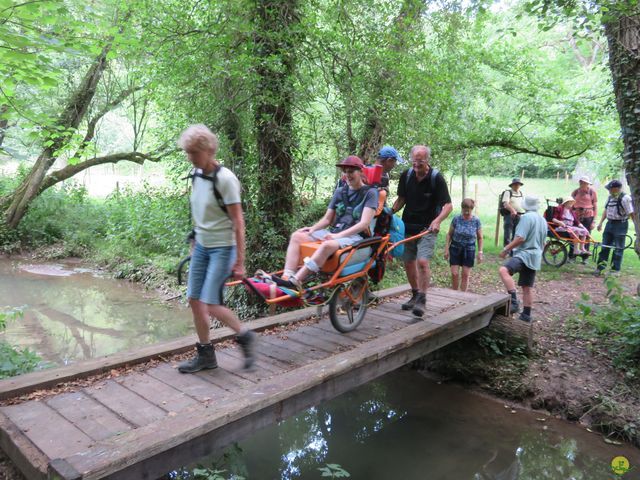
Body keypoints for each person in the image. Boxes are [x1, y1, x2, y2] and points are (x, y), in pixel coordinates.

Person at [178, 124, 256, 373]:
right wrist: (194, 243)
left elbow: (238, 222)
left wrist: (240, 262)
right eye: (188, 152)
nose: (190, 157)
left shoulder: (225, 180)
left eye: (194, 152)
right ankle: (206, 356)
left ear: (209, 150)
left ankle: (245, 335)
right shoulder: (196, 175)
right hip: (202, 246)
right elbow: (200, 213)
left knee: (210, 302)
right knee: (194, 299)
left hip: (223, 248)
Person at [275, 155, 378, 289]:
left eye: (351, 171)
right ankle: (287, 276)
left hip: (355, 237)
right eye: (345, 172)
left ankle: (296, 281)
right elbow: (327, 219)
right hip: (335, 232)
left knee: (326, 245)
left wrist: (337, 236)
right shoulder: (340, 192)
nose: (348, 175)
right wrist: (312, 229)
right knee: (296, 236)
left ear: (361, 172)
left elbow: (363, 224)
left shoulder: (371, 193)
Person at [392, 145, 452, 317]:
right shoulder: (407, 175)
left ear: (427, 160)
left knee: (423, 262)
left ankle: (423, 299)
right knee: (408, 261)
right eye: (415, 161)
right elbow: (401, 199)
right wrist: (388, 212)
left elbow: (448, 205)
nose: (417, 164)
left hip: (428, 229)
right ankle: (415, 294)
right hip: (408, 226)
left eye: (421, 161)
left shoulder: (436, 178)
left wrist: (437, 220)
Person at [498, 196, 547, 322]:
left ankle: (513, 301)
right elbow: (544, 243)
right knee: (527, 287)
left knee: (504, 270)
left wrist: (506, 249)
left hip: (523, 255)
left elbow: (520, 238)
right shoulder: (542, 220)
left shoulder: (526, 218)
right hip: (535, 257)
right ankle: (526, 315)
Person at [594, 179, 636, 275]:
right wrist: (600, 223)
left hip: (620, 224)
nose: (609, 191)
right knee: (605, 246)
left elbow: (631, 213)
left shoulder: (625, 198)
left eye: (611, 189)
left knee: (618, 248)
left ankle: (615, 270)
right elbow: (606, 210)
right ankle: (600, 268)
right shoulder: (610, 197)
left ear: (617, 188)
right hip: (609, 224)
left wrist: (637, 229)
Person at [444, 198, 483, 292]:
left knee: (465, 274)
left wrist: (480, 252)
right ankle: (454, 293)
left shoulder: (476, 221)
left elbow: (480, 237)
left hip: (469, 249)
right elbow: (449, 234)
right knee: (454, 273)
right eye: (464, 210)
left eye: (468, 211)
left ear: (471, 209)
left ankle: (463, 296)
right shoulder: (456, 219)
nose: (466, 213)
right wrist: (446, 249)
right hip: (455, 248)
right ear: (462, 208)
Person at [571, 175, 597, 251]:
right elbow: (570, 204)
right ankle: (572, 255)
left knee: (587, 235)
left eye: (586, 183)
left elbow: (595, 206)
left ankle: (584, 256)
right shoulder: (575, 192)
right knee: (574, 234)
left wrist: (594, 221)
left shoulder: (592, 192)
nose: (584, 184)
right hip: (576, 216)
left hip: (588, 216)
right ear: (580, 182)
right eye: (582, 182)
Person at [501, 178, 525, 247]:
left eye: (518, 184)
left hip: (519, 215)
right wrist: (513, 210)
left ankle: (513, 249)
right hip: (509, 215)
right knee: (508, 233)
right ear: (512, 185)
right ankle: (506, 249)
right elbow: (505, 204)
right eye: (515, 184)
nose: (517, 185)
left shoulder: (521, 193)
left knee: (516, 233)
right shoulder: (508, 192)